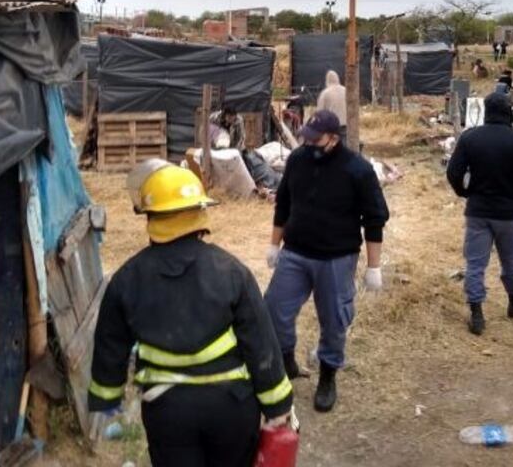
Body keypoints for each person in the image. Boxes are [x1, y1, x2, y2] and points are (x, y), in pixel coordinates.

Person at [89, 162, 294, 467]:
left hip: (167, 412)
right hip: (231, 407)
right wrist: (278, 406)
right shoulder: (232, 271)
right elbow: (261, 344)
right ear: (200, 212)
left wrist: (106, 403)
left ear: (150, 216)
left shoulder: (126, 279)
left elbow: (110, 347)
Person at [264, 110, 390, 413]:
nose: (308, 144)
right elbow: (283, 204)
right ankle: (286, 360)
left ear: (334, 138)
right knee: (273, 310)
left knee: (333, 320)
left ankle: (328, 375)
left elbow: (374, 220)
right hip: (295, 253)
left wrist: (374, 267)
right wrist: (274, 244)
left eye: (315, 139)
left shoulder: (357, 170)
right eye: (306, 138)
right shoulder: (298, 160)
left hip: (336, 258)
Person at [445, 92, 513, 336]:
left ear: (486, 111)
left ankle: (477, 314)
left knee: (476, 263)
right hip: (510, 213)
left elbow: (453, 172)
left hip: (478, 211)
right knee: (510, 260)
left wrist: (465, 193)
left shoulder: (470, 138)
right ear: (509, 111)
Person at [316, 70, 348, 144]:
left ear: (327, 80)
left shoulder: (325, 93)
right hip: (346, 124)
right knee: (344, 146)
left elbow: (319, 112)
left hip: (332, 126)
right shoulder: (346, 90)